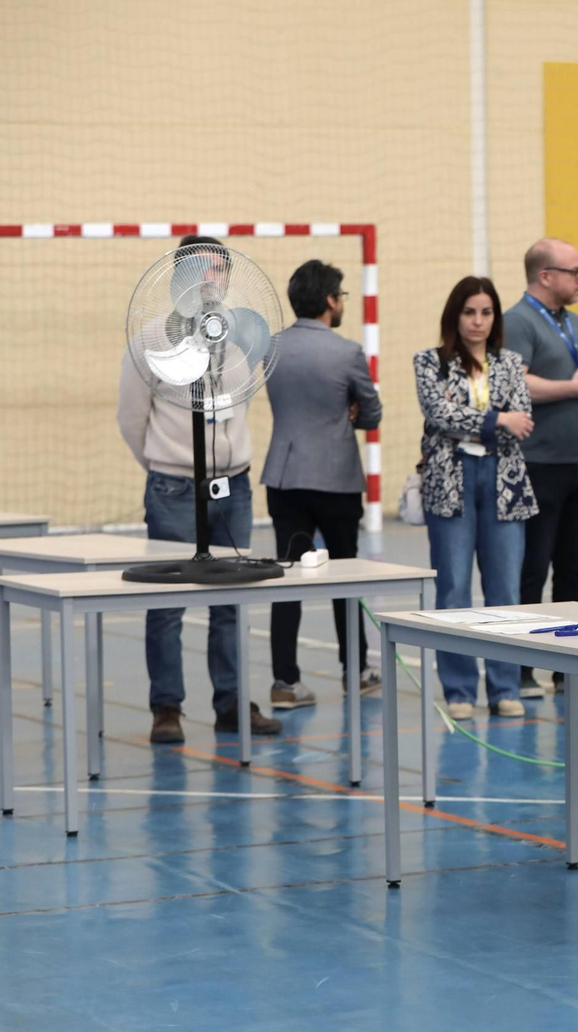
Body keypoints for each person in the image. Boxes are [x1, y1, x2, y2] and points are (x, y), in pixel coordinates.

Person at [116, 234, 282, 744]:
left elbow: (244, 403)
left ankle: (232, 703)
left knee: (231, 600)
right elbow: (130, 418)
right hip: (172, 487)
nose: (214, 279)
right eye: (202, 270)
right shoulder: (149, 339)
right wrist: (170, 463)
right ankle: (167, 708)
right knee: (167, 605)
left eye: (221, 270)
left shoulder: (242, 337)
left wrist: (227, 461)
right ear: (179, 277)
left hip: (232, 486)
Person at [414, 277, 538, 719]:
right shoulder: (430, 362)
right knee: (453, 590)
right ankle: (460, 691)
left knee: (505, 590)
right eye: (470, 312)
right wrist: (497, 419)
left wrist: (497, 421)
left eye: (486, 312)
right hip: (450, 480)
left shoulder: (510, 363)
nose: (478, 321)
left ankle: (505, 687)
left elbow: (523, 419)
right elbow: (439, 413)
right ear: (455, 315)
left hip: (503, 480)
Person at [261, 259, 383, 710]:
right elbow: (371, 413)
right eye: (343, 295)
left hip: (285, 476)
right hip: (335, 479)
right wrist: (351, 406)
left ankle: (284, 682)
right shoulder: (347, 352)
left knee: (286, 579)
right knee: (345, 577)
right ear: (331, 301)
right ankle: (356, 671)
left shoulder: (271, 347)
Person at [502, 238, 578, 699]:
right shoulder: (516, 322)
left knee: (574, 568)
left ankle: (572, 662)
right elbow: (516, 382)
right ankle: (524, 668)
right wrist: (572, 386)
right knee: (533, 566)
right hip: (536, 465)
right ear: (546, 276)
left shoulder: (575, 322)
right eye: (575, 270)